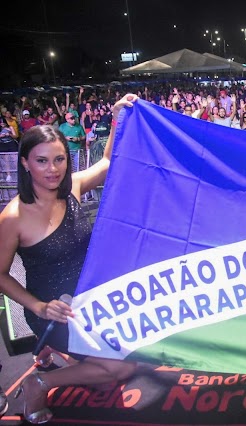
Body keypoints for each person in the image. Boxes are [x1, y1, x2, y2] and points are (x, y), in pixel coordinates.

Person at [0, 94, 140, 424]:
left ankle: (59, 355)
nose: (53, 169)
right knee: (120, 369)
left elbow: (109, 163)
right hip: (54, 312)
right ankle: (40, 382)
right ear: (25, 163)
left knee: (138, 349)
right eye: (42, 161)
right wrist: (37, 307)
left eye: (59, 159)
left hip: (94, 301)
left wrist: (117, 116)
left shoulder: (73, 187)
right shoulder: (13, 217)